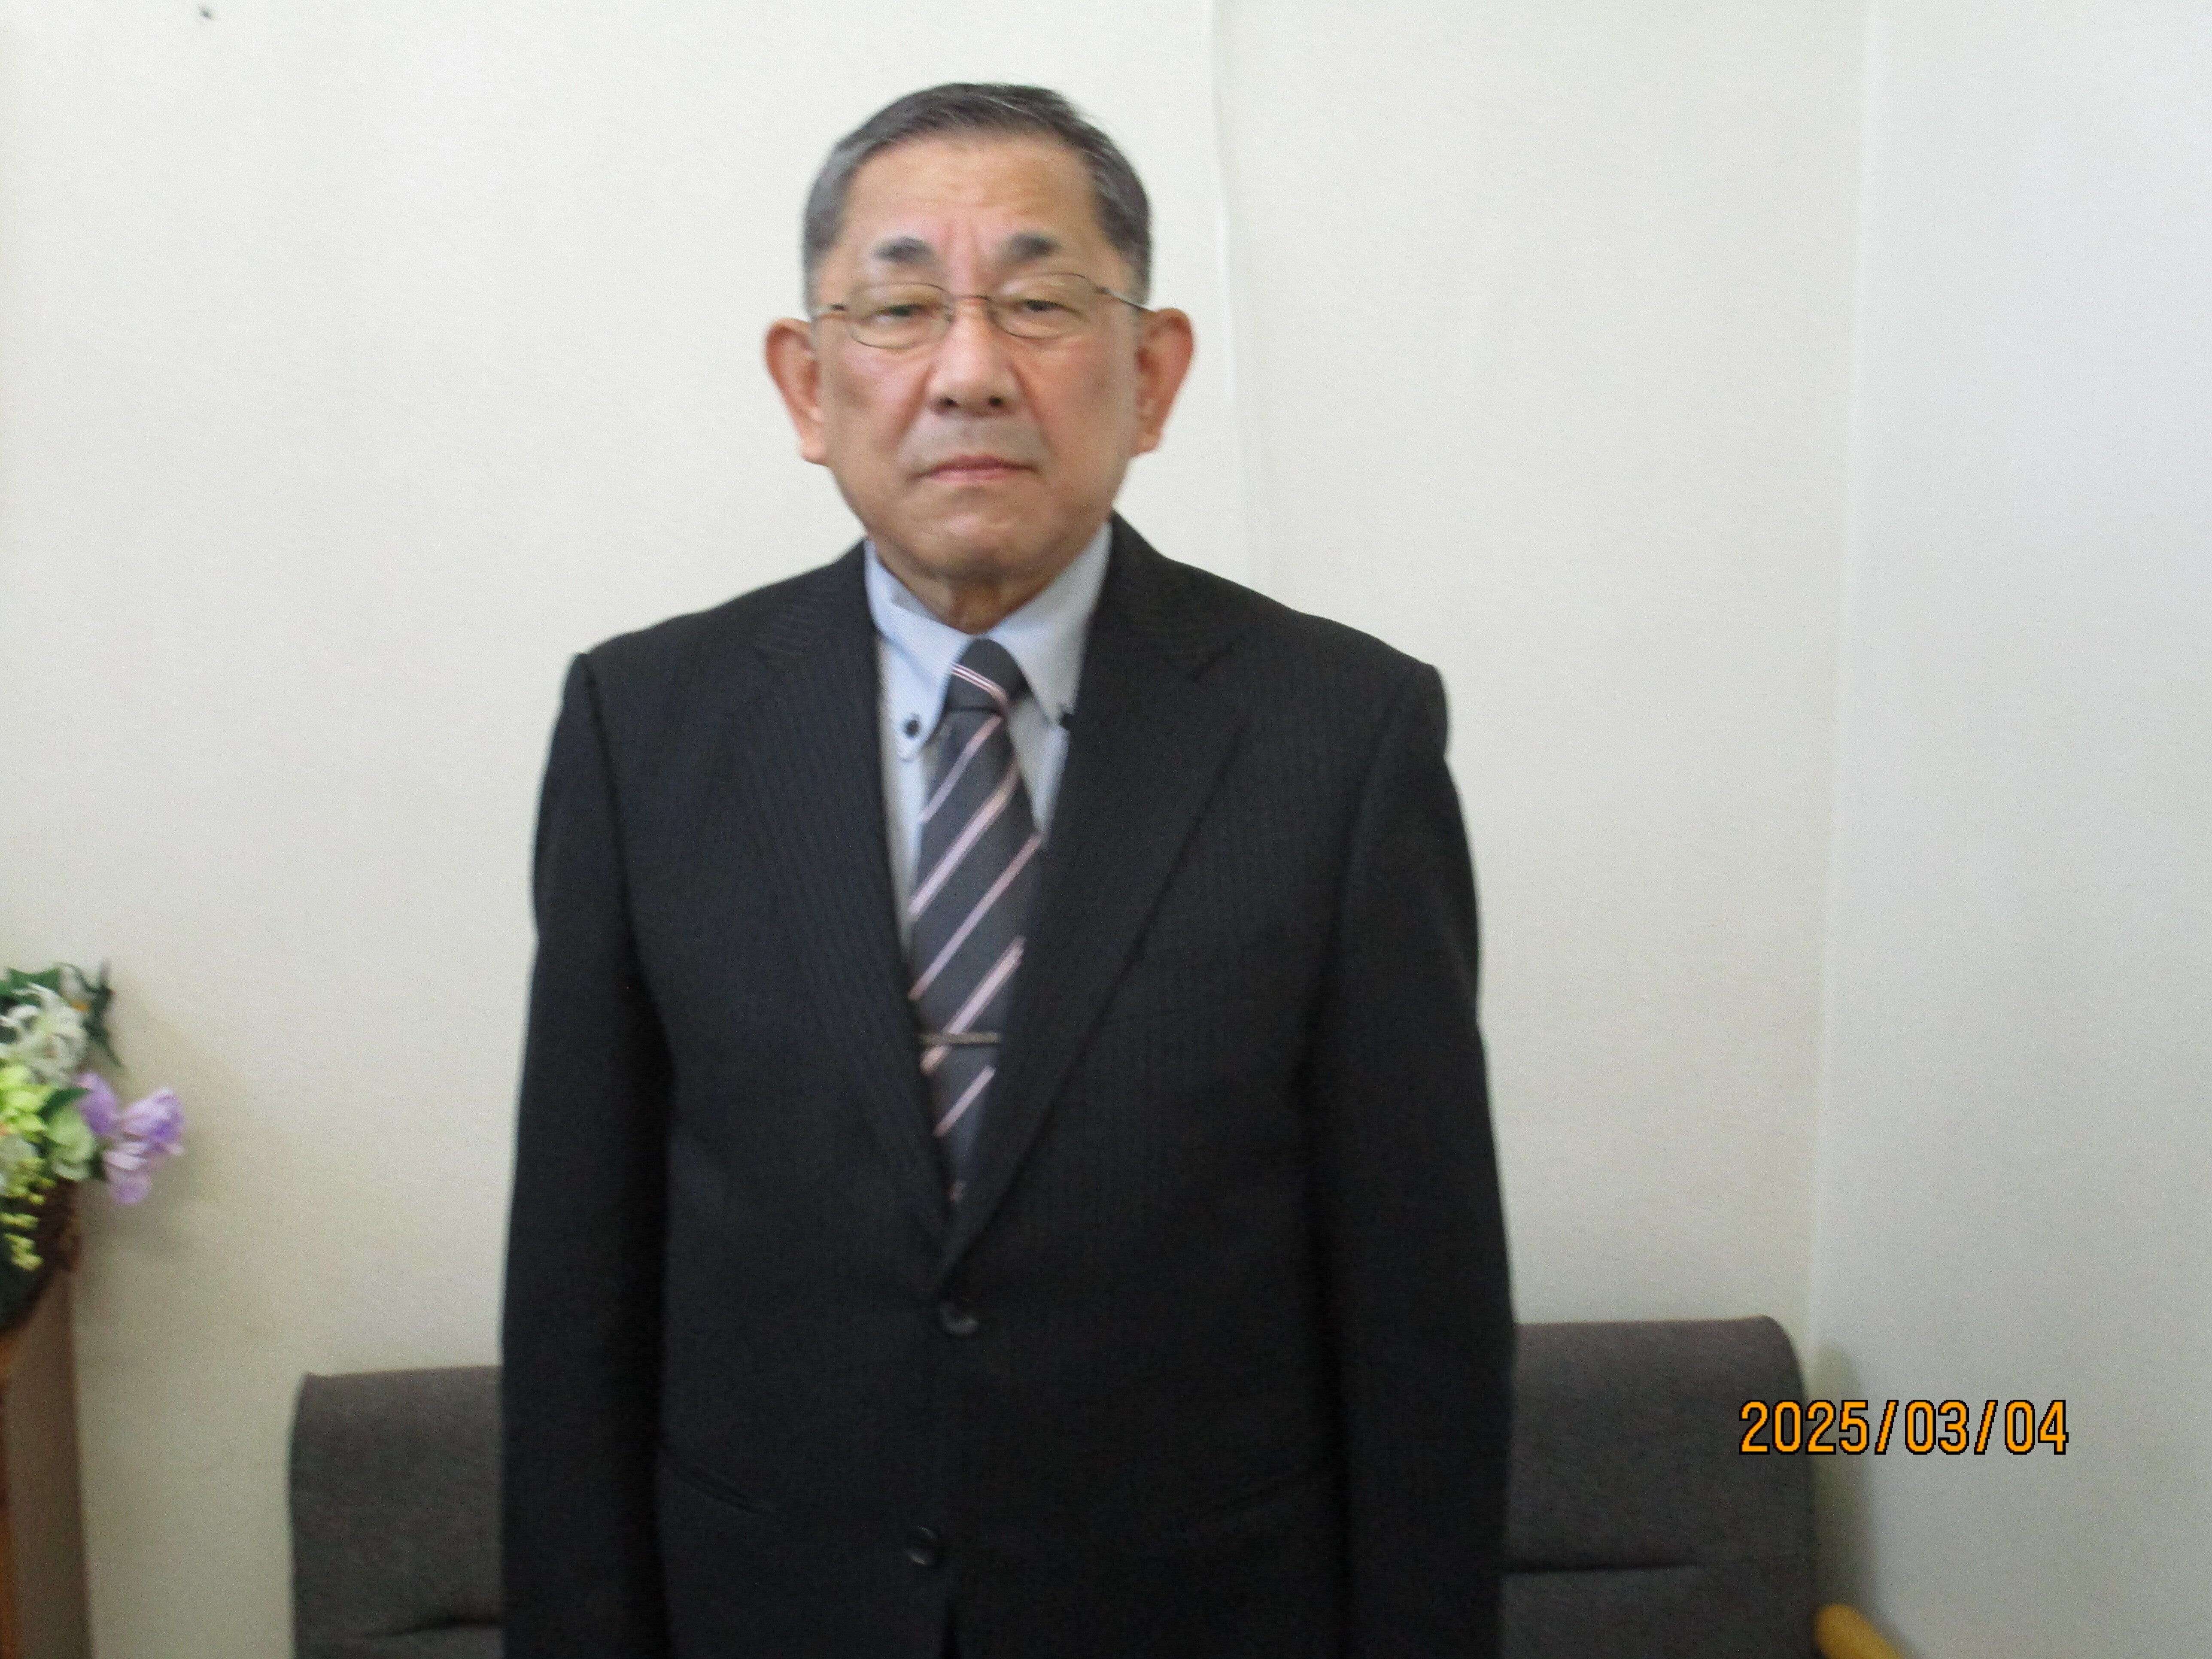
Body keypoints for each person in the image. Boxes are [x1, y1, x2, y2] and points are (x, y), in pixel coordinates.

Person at [502, 82, 1513, 1659]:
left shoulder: (1341, 739)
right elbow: (578, 1295)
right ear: (809, 383)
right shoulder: (645, 730)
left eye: (1039, 305)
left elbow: (1423, 1318)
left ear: (1151, 373)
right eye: (900, 309)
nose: (970, 371)